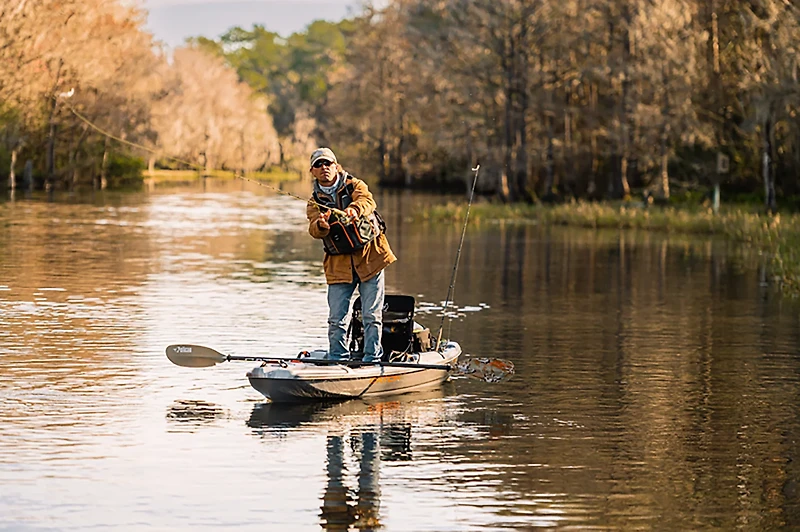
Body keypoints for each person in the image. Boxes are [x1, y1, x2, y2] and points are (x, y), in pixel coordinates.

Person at [306, 148, 396, 362]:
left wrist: (354, 209)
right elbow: (313, 229)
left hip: (370, 259)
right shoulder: (313, 201)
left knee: (371, 315)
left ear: (336, 166)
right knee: (336, 319)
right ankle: (338, 359)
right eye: (318, 165)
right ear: (312, 171)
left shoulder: (355, 185)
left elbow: (368, 201)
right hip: (338, 266)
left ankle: (372, 357)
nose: (324, 167)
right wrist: (321, 225)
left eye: (328, 163)